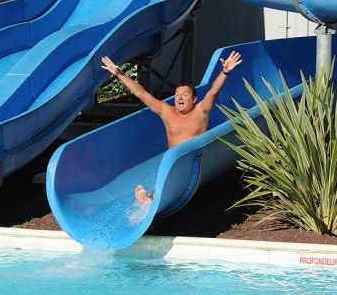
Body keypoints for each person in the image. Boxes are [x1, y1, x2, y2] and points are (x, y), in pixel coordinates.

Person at [101, 51, 243, 203]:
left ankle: (152, 199)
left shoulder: (201, 111)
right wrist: (119, 73)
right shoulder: (166, 111)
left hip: (196, 161)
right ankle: (150, 200)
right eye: (176, 94)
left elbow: (213, 92)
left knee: (175, 174)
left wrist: (225, 71)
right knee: (168, 173)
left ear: (194, 99)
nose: (179, 97)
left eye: (184, 94)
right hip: (174, 162)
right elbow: (140, 93)